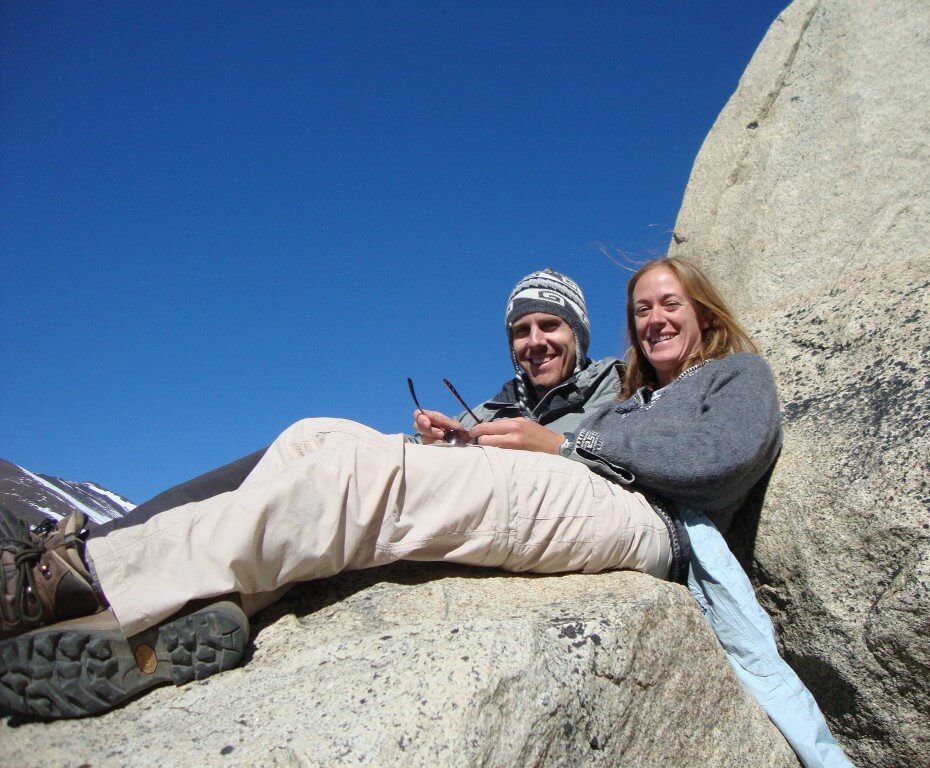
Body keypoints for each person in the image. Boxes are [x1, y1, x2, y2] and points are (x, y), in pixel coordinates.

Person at [0, 258, 850, 768]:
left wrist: (567, 449)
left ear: (704, 313)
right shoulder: (632, 399)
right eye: (643, 309)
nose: (655, 317)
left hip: (650, 522)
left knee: (363, 478)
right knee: (316, 435)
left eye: (670, 303)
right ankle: (179, 600)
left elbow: (714, 463)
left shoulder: (737, 379)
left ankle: (74, 582)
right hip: (600, 490)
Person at [96, 267, 624, 534]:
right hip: (462, 498)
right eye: (521, 330)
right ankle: (111, 542)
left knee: (338, 475)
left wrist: (557, 443)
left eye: (550, 325)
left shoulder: (618, 385)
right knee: (315, 436)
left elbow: (634, 457)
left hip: (540, 511)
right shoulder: (493, 407)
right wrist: (439, 442)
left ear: (578, 333)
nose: (535, 342)